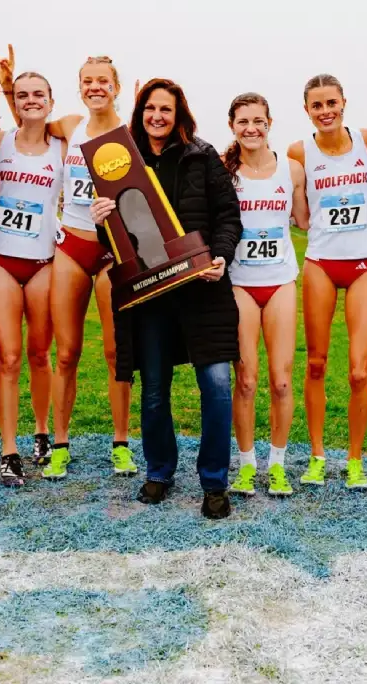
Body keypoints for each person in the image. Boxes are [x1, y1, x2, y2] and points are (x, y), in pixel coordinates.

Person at [91, 78, 242, 518]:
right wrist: (102, 219)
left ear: (180, 116)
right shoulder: (118, 162)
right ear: (139, 113)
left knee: (216, 386)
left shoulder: (202, 156)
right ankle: (159, 471)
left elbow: (228, 216)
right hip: (150, 294)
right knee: (154, 389)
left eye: (166, 110)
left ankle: (214, 482)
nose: (158, 116)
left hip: (203, 288)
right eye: (151, 109)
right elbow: (118, 237)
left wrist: (222, 256)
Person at [0, 51, 137, 477]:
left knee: (117, 352)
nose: (95, 87)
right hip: (72, 247)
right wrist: (7, 88)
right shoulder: (70, 128)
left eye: (103, 80)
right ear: (79, 87)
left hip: (114, 252)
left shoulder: (129, 132)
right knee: (67, 353)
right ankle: (59, 442)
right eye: (87, 81)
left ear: (115, 86)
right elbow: (28, 118)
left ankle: (121, 442)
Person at [286, 74, 367, 489]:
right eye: (317, 105)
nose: (325, 111)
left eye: (332, 103)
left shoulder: (366, 139)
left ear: (344, 102)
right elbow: (301, 214)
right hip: (322, 261)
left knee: (360, 371)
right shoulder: (298, 151)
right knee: (316, 363)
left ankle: (356, 459)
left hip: (364, 262)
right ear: (306, 110)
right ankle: (317, 455)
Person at [221, 93, 308, 497]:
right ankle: (245, 465)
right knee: (247, 379)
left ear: (270, 122)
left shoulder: (291, 170)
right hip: (240, 282)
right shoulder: (223, 172)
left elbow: (305, 220)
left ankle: (277, 465)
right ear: (232, 126)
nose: (251, 128)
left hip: (280, 282)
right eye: (243, 121)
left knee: (282, 381)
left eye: (258, 120)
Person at [0, 72, 64, 487]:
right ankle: (8, 450)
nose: (31, 101)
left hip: (44, 261)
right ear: (13, 101)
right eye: (22, 95)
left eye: (39, 95)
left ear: (51, 101)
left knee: (39, 353)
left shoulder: (63, 148)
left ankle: (42, 433)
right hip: (0, 258)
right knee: (9, 357)